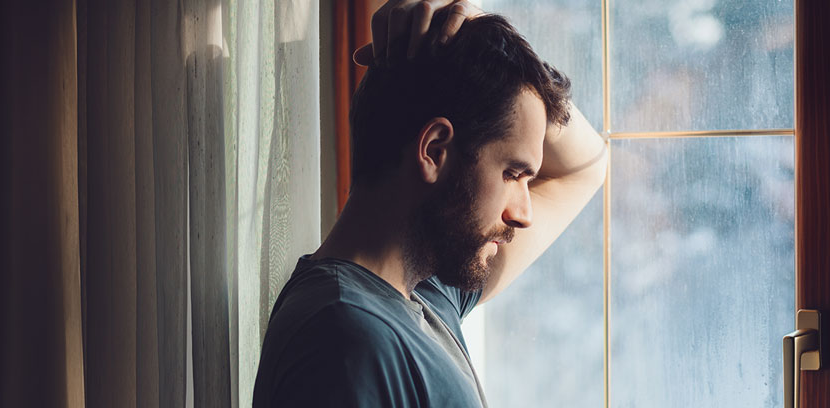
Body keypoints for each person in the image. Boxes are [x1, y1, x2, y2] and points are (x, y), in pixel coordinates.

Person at [251, 1, 607, 406]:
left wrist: (477, 30)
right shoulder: (346, 339)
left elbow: (584, 168)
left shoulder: (427, 292)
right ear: (435, 150)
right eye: (512, 174)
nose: (522, 214)